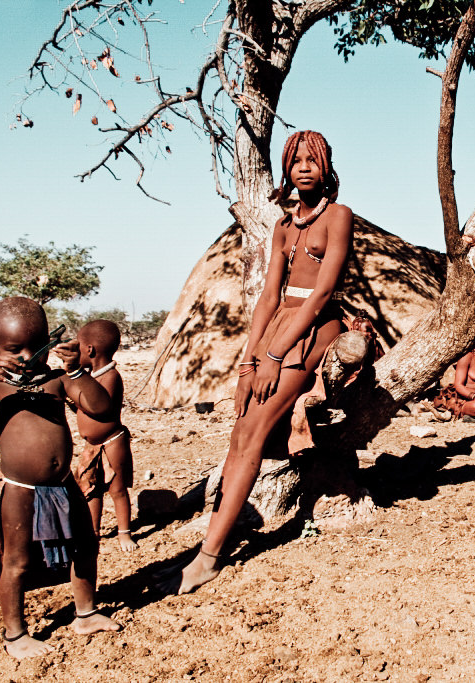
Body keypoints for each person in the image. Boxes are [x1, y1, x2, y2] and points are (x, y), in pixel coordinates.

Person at [160, 131, 352, 594]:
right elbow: (268, 295)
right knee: (238, 431)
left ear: (326, 166)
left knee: (255, 432)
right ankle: (213, 539)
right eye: (295, 161)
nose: (303, 167)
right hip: (278, 324)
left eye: (312, 159)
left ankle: (209, 558)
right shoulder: (284, 225)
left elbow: (322, 293)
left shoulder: (339, 217)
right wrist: (249, 360)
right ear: (286, 169)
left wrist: (274, 355)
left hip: (314, 326)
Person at [0, 297, 119, 658]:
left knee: (85, 546)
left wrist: (76, 370)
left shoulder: (58, 379)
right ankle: (15, 635)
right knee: (16, 561)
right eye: (15, 350)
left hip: (64, 484)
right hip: (21, 490)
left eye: (39, 347)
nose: (29, 357)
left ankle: (86, 613)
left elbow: (102, 408)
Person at [72, 319, 137, 551]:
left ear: (89, 349)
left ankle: (124, 533)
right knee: (91, 489)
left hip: (112, 441)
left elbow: (101, 408)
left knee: (117, 490)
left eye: (78, 346)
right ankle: (93, 531)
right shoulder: (91, 377)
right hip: (92, 444)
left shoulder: (110, 377)